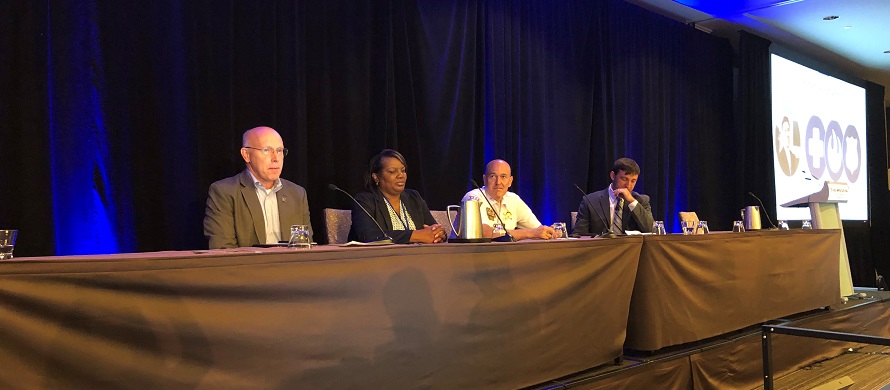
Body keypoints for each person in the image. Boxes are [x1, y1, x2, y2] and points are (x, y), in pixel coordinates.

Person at [203, 126, 312, 248]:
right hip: (248, 266)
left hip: (291, 266)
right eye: (266, 150)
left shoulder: (297, 193)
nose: (275, 158)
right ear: (246, 155)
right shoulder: (224, 192)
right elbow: (223, 250)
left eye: (280, 151)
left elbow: (304, 248)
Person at [348, 149, 446, 244]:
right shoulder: (365, 200)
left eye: (403, 171)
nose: (401, 175)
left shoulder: (414, 198)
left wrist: (439, 234)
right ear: (376, 177)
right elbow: (367, 235)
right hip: (379, 259)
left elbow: (433, 228)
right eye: (392, 171)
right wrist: (415, 235)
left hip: (416, 258)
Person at [460, 159, 556, 240]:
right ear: (484, 179)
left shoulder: (513, 199)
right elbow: (482, 233)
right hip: (470, 256)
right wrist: (531, 233)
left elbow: (536, 229)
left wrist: (549, 232)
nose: (498, 182)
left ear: (510, 181)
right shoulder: (472, 198)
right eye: (493, 176)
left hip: (504, 256)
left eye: (503, 177)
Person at [572, 157, 654, 236]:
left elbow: (650, 229)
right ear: (613, 176)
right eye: (624, 179)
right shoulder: (590, 201)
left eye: (633, 181)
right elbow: (579, 235)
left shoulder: (641, 200)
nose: (628, 185)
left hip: (631, 248)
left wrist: (631, 201)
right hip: (602, 248)